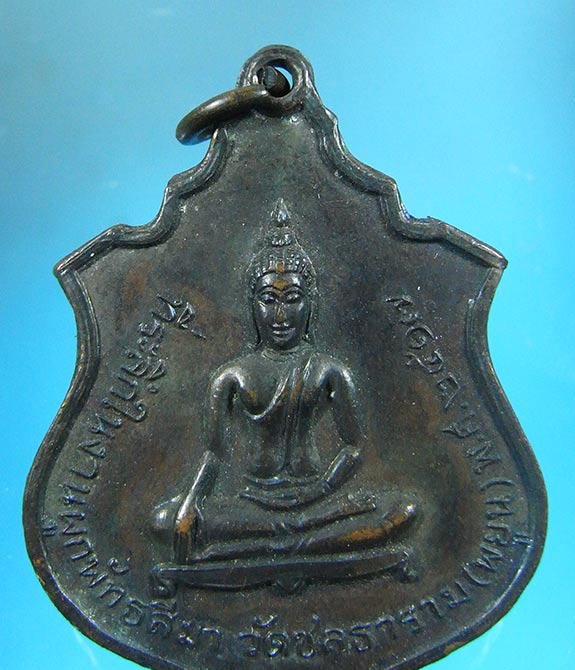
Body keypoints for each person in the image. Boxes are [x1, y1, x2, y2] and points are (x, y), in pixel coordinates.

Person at [152, 200, 417, 583]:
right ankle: (302, 544)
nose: (280, 316)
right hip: (252, 503)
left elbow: (354, 447)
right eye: (269, 300)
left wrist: (321, 489)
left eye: (292, 299)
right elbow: (214, 454)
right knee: (165, 519)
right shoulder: (231, 376)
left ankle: (261, 548)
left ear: (310, 304)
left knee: (402, 508)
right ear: (253, 305)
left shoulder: (328, 370)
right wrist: (191, 503)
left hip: (318, 501)